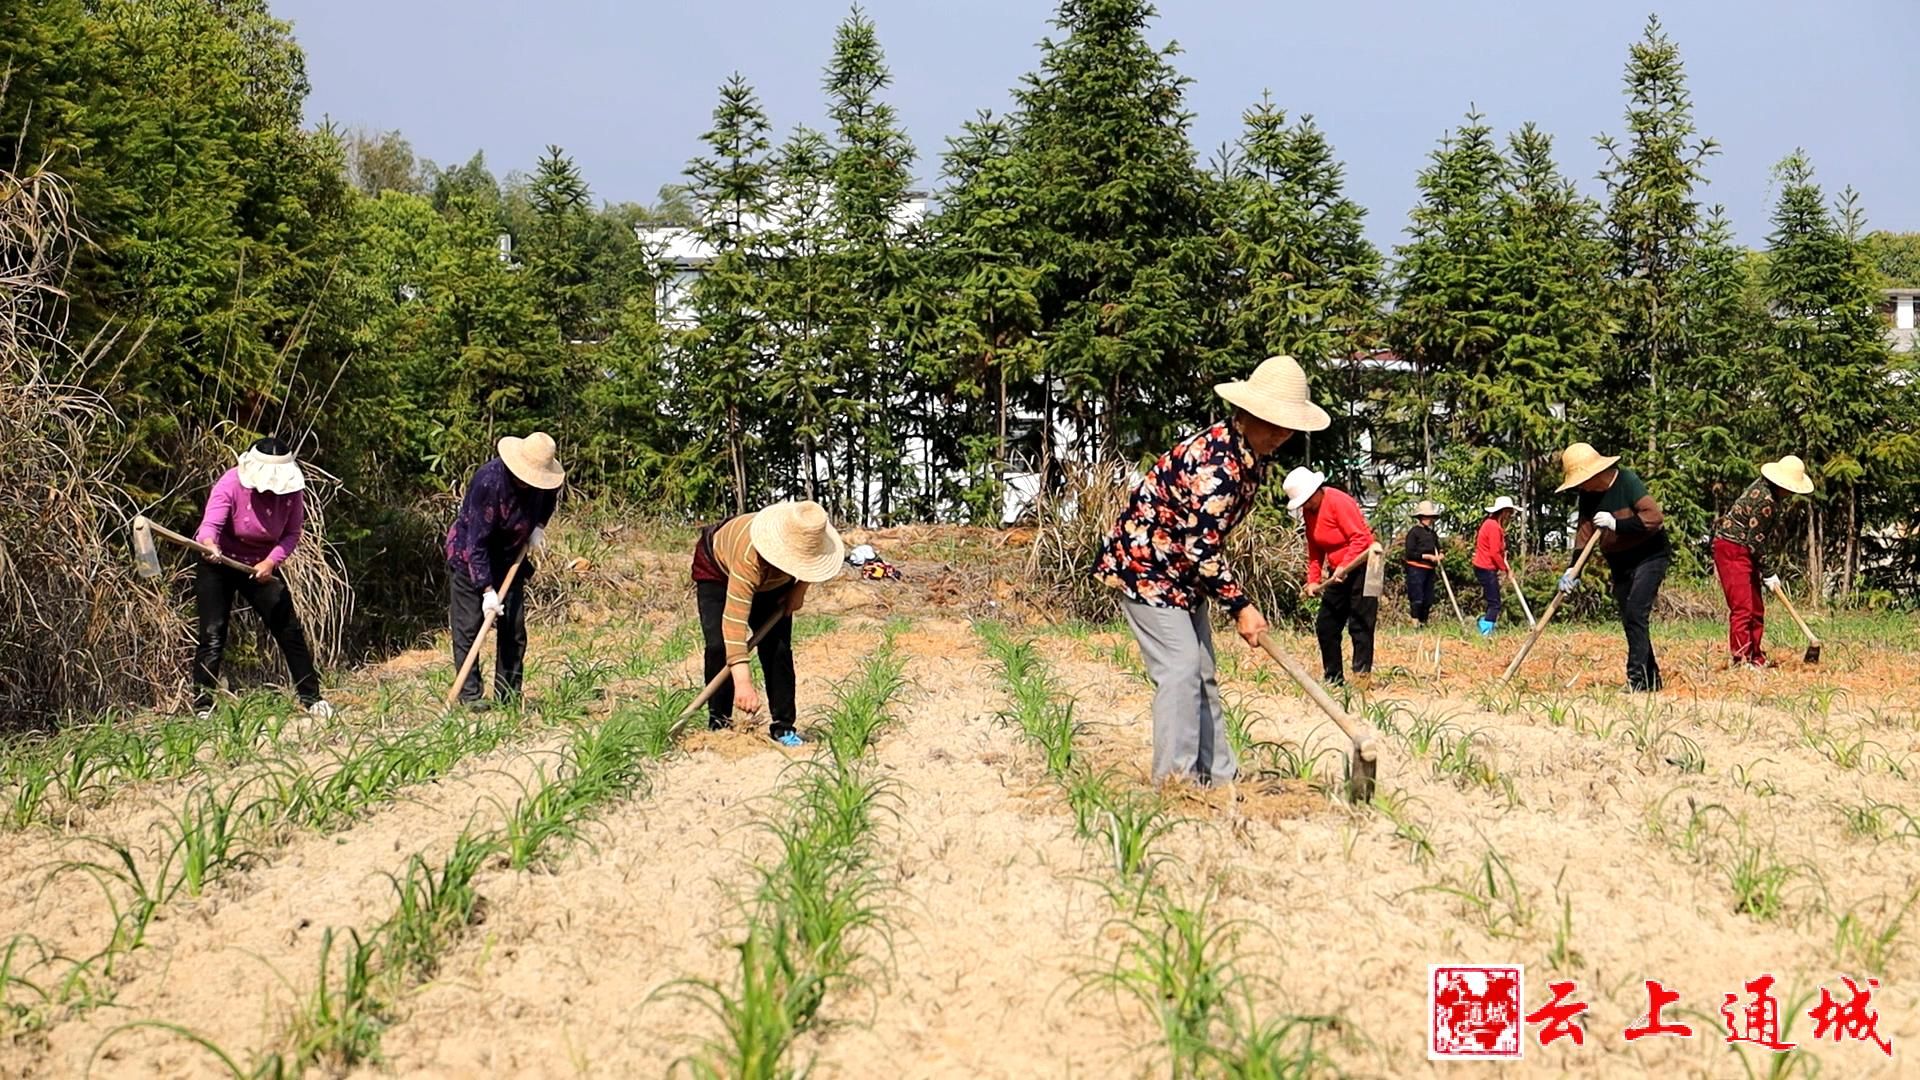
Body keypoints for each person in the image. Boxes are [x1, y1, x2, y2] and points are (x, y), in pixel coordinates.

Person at [1093, 355, 1330, 785]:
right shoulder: (1219, 465)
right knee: (1181, 669)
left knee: (1201, 672)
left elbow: (1202, 546)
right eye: (1272, 422)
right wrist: (1241, 606)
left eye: (1287, 425)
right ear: (1247, 412)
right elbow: (1200, 546)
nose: (1280, 434)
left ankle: (1219, 778)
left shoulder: (1249, 456)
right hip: (1147, 568)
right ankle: (1177, 783)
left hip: (1181, 575)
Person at [191, 438, 332, 719]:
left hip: (259, 565)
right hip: (219, 562)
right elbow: (210, 525)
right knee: (213, 633)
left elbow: (292, 533)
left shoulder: (292, 493)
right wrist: (210, 544)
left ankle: (312, 698)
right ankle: (203, 705)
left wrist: (270, 561)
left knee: (288, 629)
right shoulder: (231, 483)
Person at [692, 500, 845, 747]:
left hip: (774, 582)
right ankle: (719, 724)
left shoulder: (808, 536)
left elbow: (813, 563)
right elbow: (734, 624)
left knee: (778, 649)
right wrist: (743, 684)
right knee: (719, 647)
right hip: (718, 569)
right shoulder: (749, 557)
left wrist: (799, 590)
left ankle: (783, 726)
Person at [446, 432, 564, 706]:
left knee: (513, 629)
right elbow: (476, 542)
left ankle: (508, 696)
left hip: (511, 559)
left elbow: (548, 500)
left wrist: (538, 527)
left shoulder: (544, 482)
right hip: (470, 558)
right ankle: (470, 696)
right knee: (469, 627)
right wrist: (487, 590)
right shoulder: (489, 482)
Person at [1555, 442, 1668, 692]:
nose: (1581, 486)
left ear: (1595, 474)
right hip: (1620, 561)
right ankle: (1651, 680)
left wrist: (1618, 524)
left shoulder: (1626, 480)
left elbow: (1653, 518)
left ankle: (1637, 680)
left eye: (1582, 481)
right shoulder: (1587, 495)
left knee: (1637, 612)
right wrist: (1573, 570)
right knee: (1630, 617)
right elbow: (1584, 534)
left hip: (1649, 554)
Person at [1712, 455, 1813, 667]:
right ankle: (1741, 660)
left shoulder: (1768, 491)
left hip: (1745, 550)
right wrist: (1768, 571)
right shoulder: (1766, 501)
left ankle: (1755, 657)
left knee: (1756, 609)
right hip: (1732, 549)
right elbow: (1755, 542)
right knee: (1743, 608)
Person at [1288, 467, 1378, 688]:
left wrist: (1345, 565)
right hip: (1339, 571)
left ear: (1316, 491)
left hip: (1366, 565)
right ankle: (1334, 678)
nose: (1305, 507)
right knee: (1326, 625)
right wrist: (1313, 579)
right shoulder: (1309, 513)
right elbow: (1315, 548)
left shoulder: (1339, 501)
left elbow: (1360, 538)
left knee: (1360, 624)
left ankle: (1361, 679)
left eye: (1306, 501)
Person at [1473, 497, 1518, 637]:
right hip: (1485, 567)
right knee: (1495, 603)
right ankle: (1485, 631)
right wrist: (1506, 569)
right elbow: (1494, 553)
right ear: (1503, 512)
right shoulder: (1493, 527)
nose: (1510, 515)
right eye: (1509, 512)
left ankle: (1485, 626)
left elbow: (1497, 551)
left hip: (1486, 567)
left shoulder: (1492, 525)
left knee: (1493, 601)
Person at [1403, 501, 1444, 626]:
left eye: (1430, 517)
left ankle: (1424, 623)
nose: (1428, 519)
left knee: (1428, 598)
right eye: (1426, 517)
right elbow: (1410, 553)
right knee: (1417, 598)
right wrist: (1426, 556)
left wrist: (1440, 556)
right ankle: (1415, 622)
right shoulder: (1414, 532)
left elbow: (1439, 548)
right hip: (1416, 569)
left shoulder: (1432, 534)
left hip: (1429, 569)